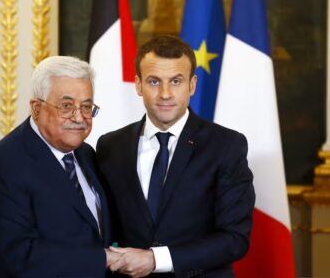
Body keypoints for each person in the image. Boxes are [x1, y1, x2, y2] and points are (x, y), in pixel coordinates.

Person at [97, 35, 255, 278]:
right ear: (137, 85)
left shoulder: (226, 146)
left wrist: (155, 260)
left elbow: (234, 239)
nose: (165, 93)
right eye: (153, 81)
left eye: (176, 81)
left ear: (192, 85)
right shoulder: (110, 146)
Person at [0, 56, 118, 277]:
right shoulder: (6, 162)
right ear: (36, 108)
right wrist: (103, 259)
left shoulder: (85, 153)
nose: (79, 117)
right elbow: (16, 257)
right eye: (66, 106)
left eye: (86, 106)